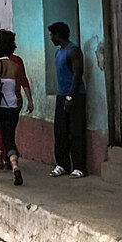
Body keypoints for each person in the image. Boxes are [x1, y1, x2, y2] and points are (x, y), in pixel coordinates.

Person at [0, 30, 33, 185]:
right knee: (10, 139)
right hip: (11, 107)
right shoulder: (15, 65)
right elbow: (19, 86)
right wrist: (28, 100)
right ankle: (15, 166)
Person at [48, 22, 86, 178]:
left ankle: (79, 167)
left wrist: (70, 96)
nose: (51, 38)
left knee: (76, 131)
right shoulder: (58, 53)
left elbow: (77, 75)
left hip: (75, 96)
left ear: (58, 34)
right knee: (60, 131)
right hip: (61, 95)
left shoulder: (73, 51)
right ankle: (62, 164)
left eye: (52, 34)